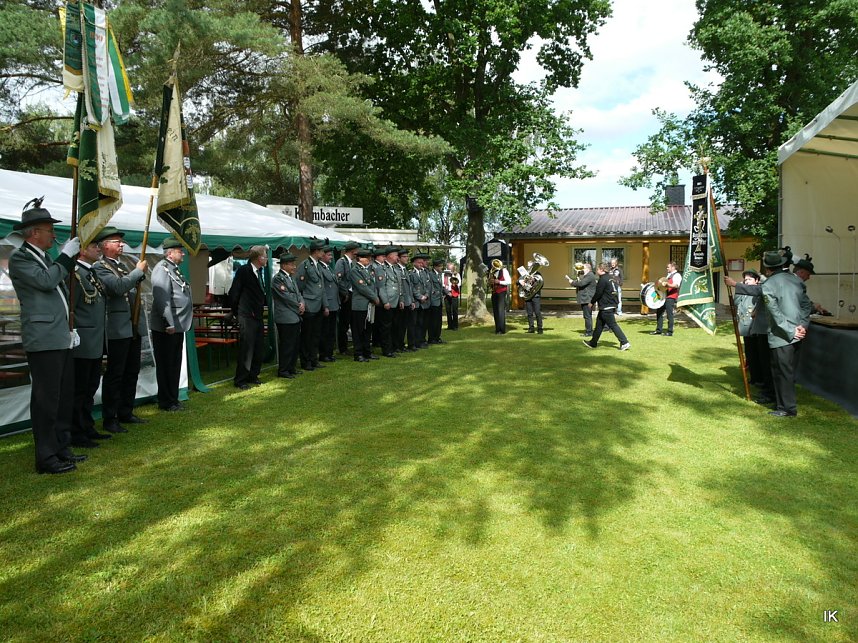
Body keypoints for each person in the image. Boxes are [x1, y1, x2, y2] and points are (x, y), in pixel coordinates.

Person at [8, 198, 85, 474]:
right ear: (34, 233)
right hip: (43, 338)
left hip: (60, 335)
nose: (54, 234)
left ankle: (61, 447)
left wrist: (69, 325)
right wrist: (66, 256)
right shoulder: (20, 258)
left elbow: (59, 291)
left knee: (63, 396)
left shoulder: (46, 257)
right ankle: (45, 456)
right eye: (49, 230)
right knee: (46, 400)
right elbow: (46, 281)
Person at [93, 227, 148, 432]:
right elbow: (116, 288)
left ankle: (126, 411)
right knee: (115, 374)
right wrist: (137, 273)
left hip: (132, 326)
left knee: (132, 371)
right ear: (105, 245)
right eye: (117, 241)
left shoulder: (123, 265)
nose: (121, 244)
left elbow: (130, 286)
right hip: (117, 328)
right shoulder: (100, 267)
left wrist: (136, 274)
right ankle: (110, 417)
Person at [70, 238, 112, 448]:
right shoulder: (75, 274)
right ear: (82, 250)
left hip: (95, 340)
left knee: (90, 387)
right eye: (94, 246)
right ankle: (76, 432)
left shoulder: (91, 273)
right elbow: (72, 309)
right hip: (83, 342)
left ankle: (87, 426)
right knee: (80, 390)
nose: (98, 249)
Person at [760, 249, 812, 417]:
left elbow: (774, 313)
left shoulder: (768, 284)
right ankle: (783, 404)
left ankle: (786, 408)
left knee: (781, 372)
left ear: (768, 268)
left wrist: (790, 331)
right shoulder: (796, 281)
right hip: (798, 332)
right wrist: (802, 325)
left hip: (782, 335)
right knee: (789, 372)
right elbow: (806, 306)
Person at [149, 238, 193, 412]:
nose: (182, 253)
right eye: (179, 251)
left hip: (178, 324)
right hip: (167, 326)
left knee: (174, 363)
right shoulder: (162, 269)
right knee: (167, 364)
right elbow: (162, 298)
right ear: (169, 253)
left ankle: (173, 398)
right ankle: (166, 401)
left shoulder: (173, 269)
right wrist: (168, 322)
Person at [725, 270, 775, 405]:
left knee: (758, 354)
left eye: (749, 280)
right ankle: (754, 377)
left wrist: (740, 286)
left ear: (756, 280)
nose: (747, 282)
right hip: (745, 323)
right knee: (750, 353)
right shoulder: (744, 291)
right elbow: (737, 302)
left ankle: (760, 379)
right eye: (745, 280)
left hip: (754, 325)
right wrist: (739, 290)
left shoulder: (758, 290)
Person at [228, 245, 268, 389]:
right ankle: (240, 379)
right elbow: (234, 292)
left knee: (258, 346)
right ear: (259, 258)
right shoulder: (244, 271)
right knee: (247, 348)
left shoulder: (259, 271)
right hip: (247, 314)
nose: (267, 258)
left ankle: (253, 375)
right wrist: (237, 311)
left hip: (256, 315)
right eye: (265, 255)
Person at [582, 263, 631, 351]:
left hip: (606, 305)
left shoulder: (603, 280)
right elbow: (615, 292)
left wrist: (591, 302)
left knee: (613, 325)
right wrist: (615, 304)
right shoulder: (612, 278)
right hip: (610, 304)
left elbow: (598, 293)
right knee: (599, 325)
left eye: (597, 269)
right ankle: (593, 343)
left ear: (602, 269)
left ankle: (624, 342)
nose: (596, 271)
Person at [270, 252, 304, 378]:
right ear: (284, 265)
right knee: (287, 344)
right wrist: (298, 305)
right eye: (291, 264)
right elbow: (286, 297)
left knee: (295, 344)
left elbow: (297, 293)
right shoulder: (278, 279)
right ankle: (283, 370)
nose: (294, 267)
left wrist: (302, 303)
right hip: (285, 317)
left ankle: (291, 367)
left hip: (294, 316)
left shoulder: (290, 277)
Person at [296, 240, 328, 371]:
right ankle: (306, 361)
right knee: (307, 336)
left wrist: (325, 305)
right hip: (309, 306)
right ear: (316, 251)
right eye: (321, 251)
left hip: (318, 305)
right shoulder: (305, 265)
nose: (323, 253)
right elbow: (299, 287)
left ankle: (313, 359)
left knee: (315, 335)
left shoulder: (318, 266)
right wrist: (303, 303)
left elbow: (322, 288)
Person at [349, 248, 380, 362]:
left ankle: (367, 351)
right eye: (366, 257)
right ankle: (358, 353)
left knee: (368, 329)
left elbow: (373, 285)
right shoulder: (355, 270)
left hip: (369, 304)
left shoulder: (369, 269)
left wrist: (374, 297)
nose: (369, 259)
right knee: (358, 330)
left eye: (369, 257)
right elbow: (362, 288)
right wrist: (374, 297)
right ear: (359, 258)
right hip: (360, 305)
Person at [334, 241, 361, 354]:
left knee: (351, 320)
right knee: (344, 323)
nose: (358, 253)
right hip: (345, 296)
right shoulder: (342, 262)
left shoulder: (352, 263)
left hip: (352, 295)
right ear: (352, 251)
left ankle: (352, 345)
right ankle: (343, 348)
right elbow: (338, 279)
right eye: (357, 250)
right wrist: (344, 293)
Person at [319, 246, 339, 362]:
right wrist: (325, 305)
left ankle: (329, 353)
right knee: (325, 331)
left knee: (331, 331)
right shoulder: (321, 268)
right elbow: (323, 289)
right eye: (329, 255)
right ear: (323, 256)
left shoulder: (329, 268)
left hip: (334, 303)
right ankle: (324, 354)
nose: (331, 257)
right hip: (327, 304)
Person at [651, 261, 681, 336]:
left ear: (673, 267)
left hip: (671, 297)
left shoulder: (677, 275)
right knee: (659, 312)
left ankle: (670, 331)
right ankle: (658, 330)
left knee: (669, 314)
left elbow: (676, 285)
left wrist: (667, 284)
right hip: (664, 296)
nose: (667, 268)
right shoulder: (668, 275)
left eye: (668, 267)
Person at [566, 263, 596, 337]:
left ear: (587, 269)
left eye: (583, 268)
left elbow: (581, 284)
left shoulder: (590, 275)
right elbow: (581, 283)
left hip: (587, 299)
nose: (582, 269)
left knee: (587, 316)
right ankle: (589, 330)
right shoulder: (588, 275)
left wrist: (571, 282)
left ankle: (589, 332)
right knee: (587, 316)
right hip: (586, 299)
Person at [397, 249, 417, 351]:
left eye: (407, 256)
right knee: (401, 326)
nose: (407, 258)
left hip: (408, 301)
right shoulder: (397, 269)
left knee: (409, 324)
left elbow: (410, 287)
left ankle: (408, 344)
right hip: (402, 301)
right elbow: (400, 287)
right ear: (399, 258)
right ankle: (399, 345)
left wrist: (412, 300)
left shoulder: (405, 269)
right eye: (404, 257)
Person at [411, 253, 432, 346]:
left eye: (421, 262)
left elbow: (427, 285)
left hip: (424, 302)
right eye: (419, 262)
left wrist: (426, 295)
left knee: (422, 323)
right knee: (415, 323)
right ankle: (415, 341)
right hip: (417, 301)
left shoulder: (424, 273)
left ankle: (421, 340)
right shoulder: (411, 273)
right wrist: (420, 297)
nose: (421, 264)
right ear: (414, 263)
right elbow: (412, 288)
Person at [488, 260, 511, 334]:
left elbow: (509, 281)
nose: (494, 266)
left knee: (500, 311)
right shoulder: (492, 271)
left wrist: (499, 282)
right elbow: (490, 281)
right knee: (495, 311)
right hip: (494, 292)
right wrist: (490, 282)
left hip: (501, 292)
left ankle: (502, 329)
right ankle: (497, 329)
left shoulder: (504, 270)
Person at [428, 258, 445, 344]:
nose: (441, 268)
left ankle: (437, 337)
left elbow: (441, 287)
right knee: (433, 321)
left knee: (439, 321)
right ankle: (432, 338)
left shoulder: (439, 275)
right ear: (435, 266)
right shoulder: (431, 274)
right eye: (440, 266)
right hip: (434, 300)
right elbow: (431, 287)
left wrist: (446, 292)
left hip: (439, 301)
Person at [443, 262, 461, 330]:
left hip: (454, 293)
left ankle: (455, 326)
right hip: (447, 293)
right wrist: (447, 292)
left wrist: (454, 279)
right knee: (448, 310)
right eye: (449, 268)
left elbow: (459, 284)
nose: (450, 270)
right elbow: (443, 284)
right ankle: (449, 326)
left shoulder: (457, 274)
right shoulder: (444, 275)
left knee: (455, 310)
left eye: (451, 268)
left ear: (453, 268)